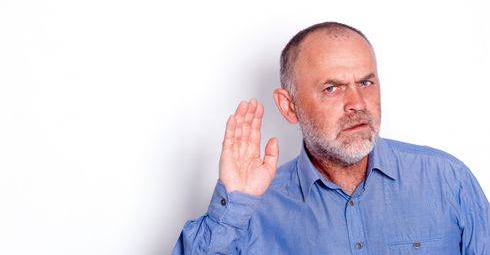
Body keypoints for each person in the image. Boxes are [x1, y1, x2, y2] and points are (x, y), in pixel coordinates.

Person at [172, 22, 490, 254]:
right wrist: (235, 202)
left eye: (365, 83)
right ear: (289, 105)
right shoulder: (251, 212)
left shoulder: (448, 181)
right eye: (332, 88)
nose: (357, 104)